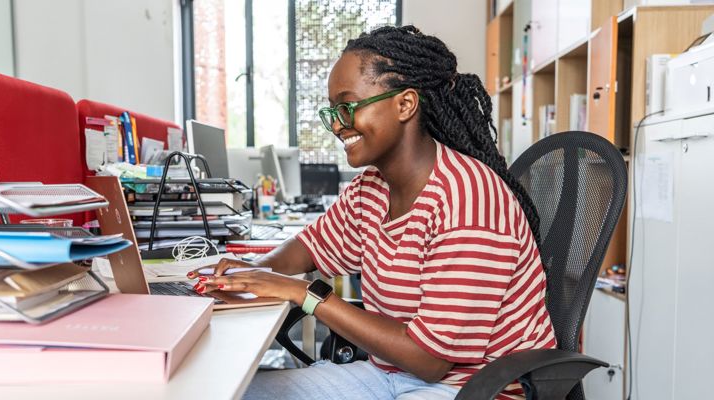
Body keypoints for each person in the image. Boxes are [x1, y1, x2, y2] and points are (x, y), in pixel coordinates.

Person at [190, 25, 556, 400]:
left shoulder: (468, 199)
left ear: (405, 104)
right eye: (332, 111)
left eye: (347, 106)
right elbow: (310, 247)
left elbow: (430, 359)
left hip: (474, 388)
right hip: (389, 374)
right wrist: (252, 273)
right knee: (236, 393)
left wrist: (304, 293)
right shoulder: (370, 188)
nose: (336, 124)